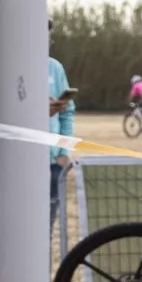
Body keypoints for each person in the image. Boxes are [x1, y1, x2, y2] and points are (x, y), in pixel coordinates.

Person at [47, 21, 76, 227]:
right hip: (22, 164)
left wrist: (64, 153)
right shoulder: (10, 65)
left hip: (54, 163)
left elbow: (67, 114)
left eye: (49, 37)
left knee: (47, 226)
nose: (47, 42)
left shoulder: (55, 68)